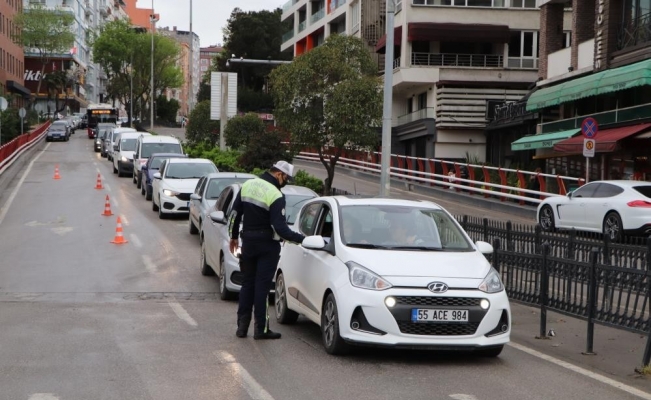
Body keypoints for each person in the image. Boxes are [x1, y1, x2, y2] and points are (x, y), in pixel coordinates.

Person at [228, 161, 306, 340]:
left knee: (247, 284)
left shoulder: (248, 185)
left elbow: (234, 214)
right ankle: (261, 330)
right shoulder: (276, 194)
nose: (286, 182)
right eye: (286, 178)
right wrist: (302, 240)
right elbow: (280, 228)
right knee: (262, 287)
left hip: (247, 241)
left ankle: (241, 327)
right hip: (267, 245)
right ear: (279, 174)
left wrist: (232, 237)